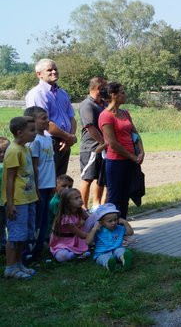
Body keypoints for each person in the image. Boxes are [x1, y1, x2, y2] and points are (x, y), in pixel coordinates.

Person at [99, 82, 144, 219]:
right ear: (113, 95)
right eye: (122, 92)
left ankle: (122, 232)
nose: (125, 94)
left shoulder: (125, 113)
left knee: (126, 196)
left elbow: (135, 133)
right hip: (116, 162)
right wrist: (132, 156)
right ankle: (112, 235)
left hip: (130, 160)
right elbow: (112, 143)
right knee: (115, 197)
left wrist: (141, 151)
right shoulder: (105, 116)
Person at [25, 58, 77, 176]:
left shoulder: (62, 93)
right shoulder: (37, 94)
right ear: (39, 74)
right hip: (47, 143)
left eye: (55, 69)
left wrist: (70, 137)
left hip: (64, 143)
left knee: (60, 181)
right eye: (49, 70)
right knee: (47, 181)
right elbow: (44, 123)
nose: (54, 72)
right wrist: (68, 137)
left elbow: (71, 117)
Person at [2, 116, 38, 279]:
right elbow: (9, 179)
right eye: (32, 130)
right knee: (15, 235)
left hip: (28, 198)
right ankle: (10, 267)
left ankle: (18, 264)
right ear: (19, 132)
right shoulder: (14, 151)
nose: (35, 133)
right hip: (17, 201)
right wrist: (10, 203)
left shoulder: (25, 148)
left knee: (23, 234)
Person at [23, 106, 56, 261]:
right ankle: (29, 253)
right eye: (43, 118)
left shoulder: (48, 138)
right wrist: (36, 188)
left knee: (44, 221)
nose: (47, 120)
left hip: (48, 186)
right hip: (39, 188)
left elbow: (51, 164)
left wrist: (53, 183)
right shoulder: (34, 141)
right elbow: (34, 167)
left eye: (46, 117)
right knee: (35, 222)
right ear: (32, 121)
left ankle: (39, 250)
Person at [78, 76, 108, 211]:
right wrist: (104, 142)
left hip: (103, 148)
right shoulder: (87, 105)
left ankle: (97, 206)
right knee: (87, 178)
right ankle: (83, 208)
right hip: (91, 147)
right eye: (105, 88)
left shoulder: (103, 104)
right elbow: (90, 127)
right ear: (98, 88)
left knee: (101, 179)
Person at [86, 203, 133, 272]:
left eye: (115, 219)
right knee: (103, 258)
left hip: (116, 249)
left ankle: (124, 259)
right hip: (101, 253)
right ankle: (109, 264)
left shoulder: (119, 228)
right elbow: (88, 242)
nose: (113, 222)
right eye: (110, 221)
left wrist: (125, 223)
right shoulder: (98, 230)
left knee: (120, 251)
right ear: (101, 223)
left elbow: (130, 233)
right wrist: (94, 229)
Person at [49, 188, 90, 262]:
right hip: (62, 243)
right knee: (61, 256)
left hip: (75, 239)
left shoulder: (79, 210)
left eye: (80, 197)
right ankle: (75, 254)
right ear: (68, 203)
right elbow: (81, 235)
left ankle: (76, 254)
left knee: (96, 218)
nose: (80, 200)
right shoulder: (66, 218)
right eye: (76, 198)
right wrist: (93, 234)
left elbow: (90, 219)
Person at [0, 136, 10, 254]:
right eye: (0, 152)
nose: (2, 155)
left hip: (7, 201)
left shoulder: (9, 166)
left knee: (9, 223)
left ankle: (7, 244)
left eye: (5, 151)